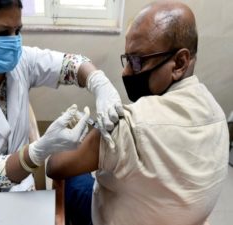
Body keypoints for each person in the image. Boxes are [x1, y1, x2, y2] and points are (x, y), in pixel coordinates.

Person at [46, 1, 229, 225]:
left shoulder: (130, 126)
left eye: (136, 61)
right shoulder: (218, 114)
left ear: (179, 62)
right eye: (127, 60)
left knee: (75, 178)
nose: (126, 72)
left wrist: (72, 135)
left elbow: (55, 167)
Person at [0, 0, 124, 194]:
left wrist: (98, 82)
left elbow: (72, 64)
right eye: (1, 32)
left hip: (18, 189)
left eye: (18, 31)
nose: (13, 41)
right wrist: (41, 149)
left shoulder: (22, 61)